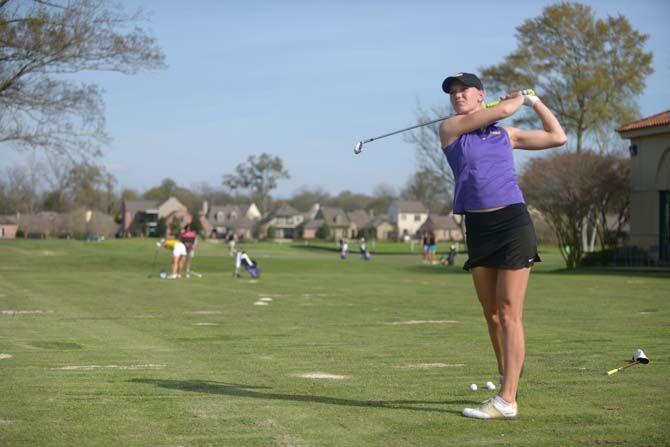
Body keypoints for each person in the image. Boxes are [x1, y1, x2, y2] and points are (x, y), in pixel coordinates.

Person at [439, 72, 566, 420]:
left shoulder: (504, 135)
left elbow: (558, 136)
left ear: (480, 94)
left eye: (464, 89)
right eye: (453, 92)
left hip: (512, 224)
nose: (457, 95)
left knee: (509, 311)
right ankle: (507, 375)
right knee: (490, 312)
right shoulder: (450, 130)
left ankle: (507, 400)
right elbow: (499, 112)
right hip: (478, 227)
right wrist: (517, 99)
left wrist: (535, 100)